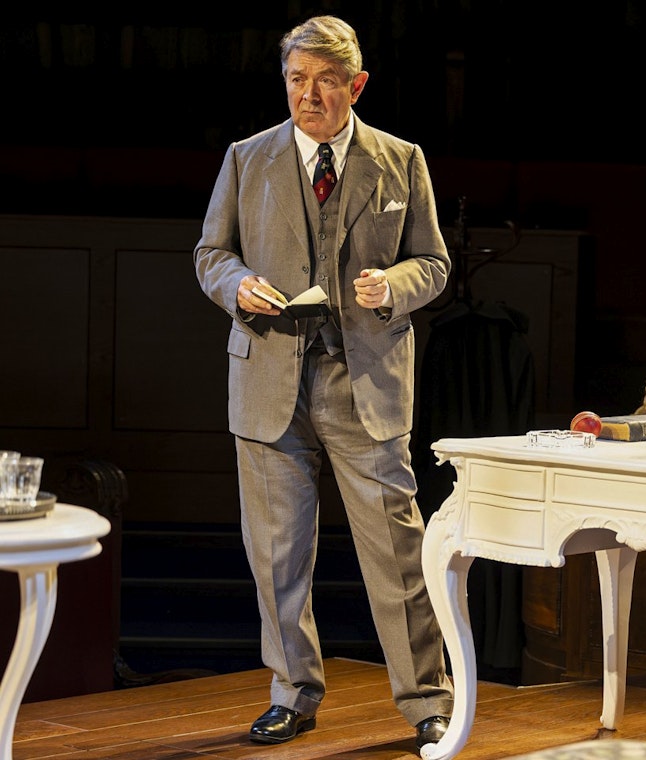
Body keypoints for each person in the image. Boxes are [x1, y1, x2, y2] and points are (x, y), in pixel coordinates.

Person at [193, 15, 453, 749]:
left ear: (356, 85)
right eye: (297, 80)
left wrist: (392, 285)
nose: (309, 95)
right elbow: (211, 251)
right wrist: (237, 283)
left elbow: (432, 263)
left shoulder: (401, 160)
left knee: (397, 555)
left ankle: (428, 700)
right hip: (269, 383)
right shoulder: (248, 158)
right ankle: (292, 694)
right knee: (276, 557)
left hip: (364, 384)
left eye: (326, 82)